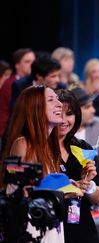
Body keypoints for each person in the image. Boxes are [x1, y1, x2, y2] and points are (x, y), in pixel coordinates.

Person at [2, 85, 64, 241]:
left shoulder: (49, 147)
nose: (60, 104)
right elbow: (16, 193)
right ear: (34, 108)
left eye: (57, 98)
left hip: (51, 225)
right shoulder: (22, 144)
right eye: (51, 100)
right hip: (31, 228)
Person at [56, 89, 99, 243]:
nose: (64, 120)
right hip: (52, 227)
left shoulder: (84, 148)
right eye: (58, 113)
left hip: (83, 229)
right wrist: (65, 190)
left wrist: (89, 186)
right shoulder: (40, 151)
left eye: (69, 114)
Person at [0, 49, 35, 146]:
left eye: (33, 61)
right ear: (17, 65)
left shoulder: (34, 83)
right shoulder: (9, 83)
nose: (32, 65)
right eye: (27, 61)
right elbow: (3, 111)